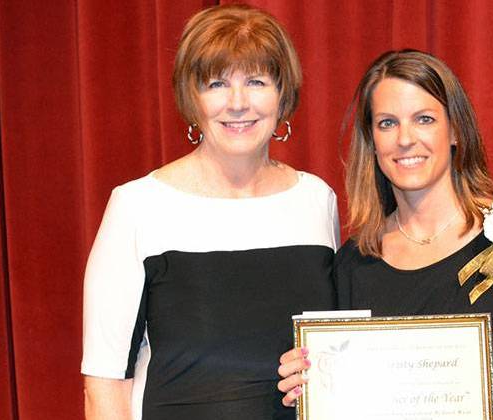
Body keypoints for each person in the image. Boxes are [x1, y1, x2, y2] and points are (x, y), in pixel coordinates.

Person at [278, 50, 493, 419]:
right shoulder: (354, 264)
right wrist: (311, 385)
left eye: (424, 119)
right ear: (371, 141)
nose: (405, 139)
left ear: (455, 130)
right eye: (387, 123)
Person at [81, 5, 339, 420]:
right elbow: (104, 384)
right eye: (217, 83)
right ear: (191, 98)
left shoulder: (316, 200)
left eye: (256, 81)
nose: (237, 103)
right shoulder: (137, 206)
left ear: (282, 94)